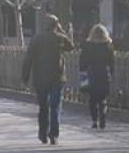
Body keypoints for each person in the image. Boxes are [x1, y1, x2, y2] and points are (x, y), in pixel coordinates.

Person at [22, 14, 76, 145]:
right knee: (55, 106)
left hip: (40, 78)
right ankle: (54, 135)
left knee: (43, 106)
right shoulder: (60, 38)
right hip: (57, 77)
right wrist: (62, 31)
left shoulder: (36, 39)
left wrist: (25, 77)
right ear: (56, 25)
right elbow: (71, 46)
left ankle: (42, 134)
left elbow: (28, 58)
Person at [80, 24, 114, 130]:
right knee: (102, 98)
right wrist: (111, 73)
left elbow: (83, 60)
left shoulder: (88, 45)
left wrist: (83, 70)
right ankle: (103, 117)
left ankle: (94, 120)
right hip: (104, 73)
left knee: (93, 99)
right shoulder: (108, 45)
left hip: (92, 73)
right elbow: (111, 61)